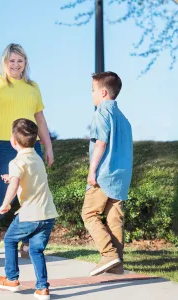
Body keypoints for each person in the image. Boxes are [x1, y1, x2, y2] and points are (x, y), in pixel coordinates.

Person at [0, 43, 54, 256]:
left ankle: (25, 241)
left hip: (32, 148)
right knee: (7, 192)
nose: (15, 65)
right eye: (11, 60)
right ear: (4, 63)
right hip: (3, 146)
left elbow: (40, 119)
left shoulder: (33, 88)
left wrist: (48, 146)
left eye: (20, 61)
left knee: (31, 194)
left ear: (25, 64)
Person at [0, 118, 58, 300]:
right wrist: (12, 177)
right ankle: (43, 288)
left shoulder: (16, 162)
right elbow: (27, 178)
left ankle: (12, 279)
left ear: (13, 140)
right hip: (47, 214)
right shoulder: (36, 158)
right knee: (36, 250)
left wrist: (5, 204)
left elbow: (14, 185)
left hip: (30, 214)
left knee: (9, 240)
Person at [81, 71, 133, 276]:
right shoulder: (124, 119)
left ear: (103, 92)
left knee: (89, 213)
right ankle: (116, 265)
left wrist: (92, 170)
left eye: (93, 90)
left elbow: (100, 143)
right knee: (114, 219)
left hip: (103, 175)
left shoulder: (102, 112)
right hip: (120, 177)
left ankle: (108, 254)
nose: (91, 94)